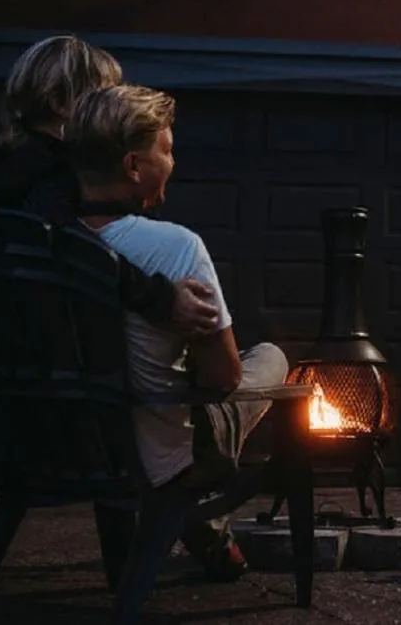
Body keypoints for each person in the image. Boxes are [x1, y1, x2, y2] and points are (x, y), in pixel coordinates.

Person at [0, 35, 222, 598]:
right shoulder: (57, 175)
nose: (112, 110)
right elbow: (71, 259)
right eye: (102, 97)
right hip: (55, 368)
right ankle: (168, 545)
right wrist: (161, 298)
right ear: (63, 103)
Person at [67, 83, 292, 581]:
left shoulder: (45, 242)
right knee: (269, 358)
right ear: (133, 165)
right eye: (166, 150)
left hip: (70, 443)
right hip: (159, 455)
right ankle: (208, 521)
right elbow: (222, 378)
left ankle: (209, 535)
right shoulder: (175, 248)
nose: (173, 162)